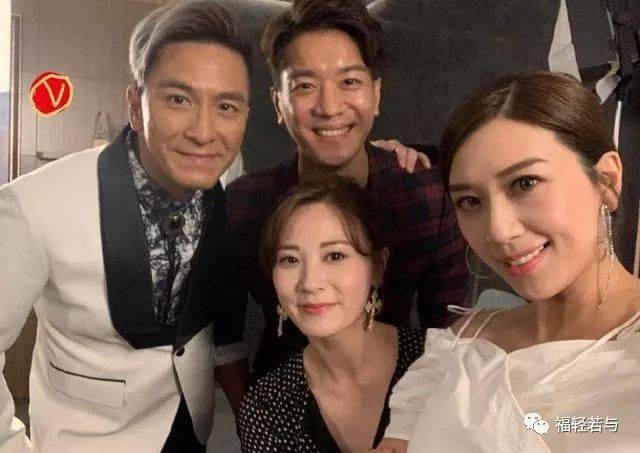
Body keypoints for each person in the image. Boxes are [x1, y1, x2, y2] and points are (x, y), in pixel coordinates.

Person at [0, 1, 250, 451]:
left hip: (193, 429)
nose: (204, 131)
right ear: (136, 105)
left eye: (227, 106)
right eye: (179, 99)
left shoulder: (225, 192)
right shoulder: (33, 203)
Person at [375, 71, 640, 453]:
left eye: (525, 183)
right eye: (470, 201)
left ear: (607, 181)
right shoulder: (458, 348)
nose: (498, 231)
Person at [225, 0, 469, 380]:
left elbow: (449, 331)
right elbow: (224, 334)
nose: (329, 107)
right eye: (305, 86)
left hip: (401, 395)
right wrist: (250, 412)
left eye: (349, 82)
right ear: (278, 104)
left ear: (376, 95)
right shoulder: (243, 205)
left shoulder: (426, 199)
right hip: (282, 394)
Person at [237, 176, 424, 452]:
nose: (310, 283)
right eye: (290, 260)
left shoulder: (437, 362)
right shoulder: (266, 405)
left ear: (377, 267)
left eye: (335, 256)